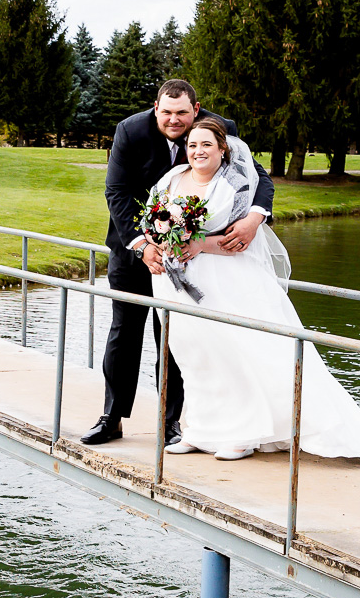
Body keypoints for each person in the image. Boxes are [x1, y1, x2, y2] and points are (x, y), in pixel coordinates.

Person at [143, 117, 360, 463]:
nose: (198, 151)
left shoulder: (231, 186)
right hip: (174, 283)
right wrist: (160, 240)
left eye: (206, 145)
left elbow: (236, 241)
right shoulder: (172, 179)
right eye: (192, 145)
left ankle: (242, 436)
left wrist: (197, 245)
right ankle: (200, 430)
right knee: (194, 355)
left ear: (222, 149)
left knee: (233, 353)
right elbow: (151, 219)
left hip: (222, 280)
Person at [81, 78, 273, 447]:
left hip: (190, 260)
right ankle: (112, 417)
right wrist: (141, 244)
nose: (173, 120)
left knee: (174, 338)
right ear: (156, 108)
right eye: (166, 112)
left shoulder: (219, 131)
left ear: (195, 110)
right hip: (133, 250)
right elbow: (116, 191)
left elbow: (258, 176)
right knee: (124, 332)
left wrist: (254, 217)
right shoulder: (130, 131)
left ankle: (172, 423)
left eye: (182, 113)